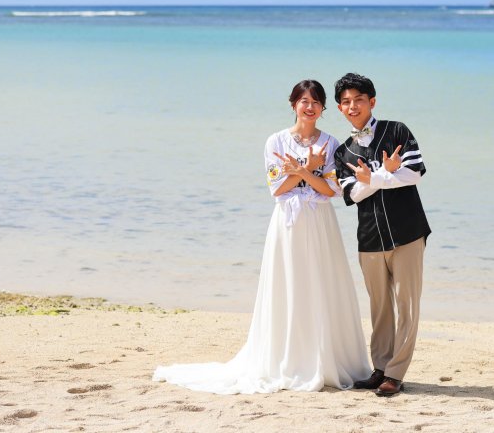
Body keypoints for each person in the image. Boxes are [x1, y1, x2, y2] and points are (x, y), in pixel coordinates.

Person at [153, 79, 370, 394]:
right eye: (304, 101)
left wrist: (304, 172)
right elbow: (276, 188)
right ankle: (287, 359)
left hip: (320, 222)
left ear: (323, 108)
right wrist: (307, 171)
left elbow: (332, 190)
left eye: (316, 102)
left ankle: (324, 358)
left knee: (321, 284)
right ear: (293, 104)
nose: (309, 107)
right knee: (288, 284)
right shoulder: (276, 142)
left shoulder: (331, 143)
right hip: (288, 223)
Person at [333, 73, 430, 397]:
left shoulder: (397, 131)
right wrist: (386, 174)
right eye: (346, 102)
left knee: (407, 305)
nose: (353, 106)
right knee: (380, 307)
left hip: (408, 233)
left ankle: (395, 374)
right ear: (339, 108)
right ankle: (380, 368)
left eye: (358, 100)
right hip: (370, 238)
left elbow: (414, 174)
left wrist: (375, 177)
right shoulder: (343, 152)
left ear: (372, 102)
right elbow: (353, 194)